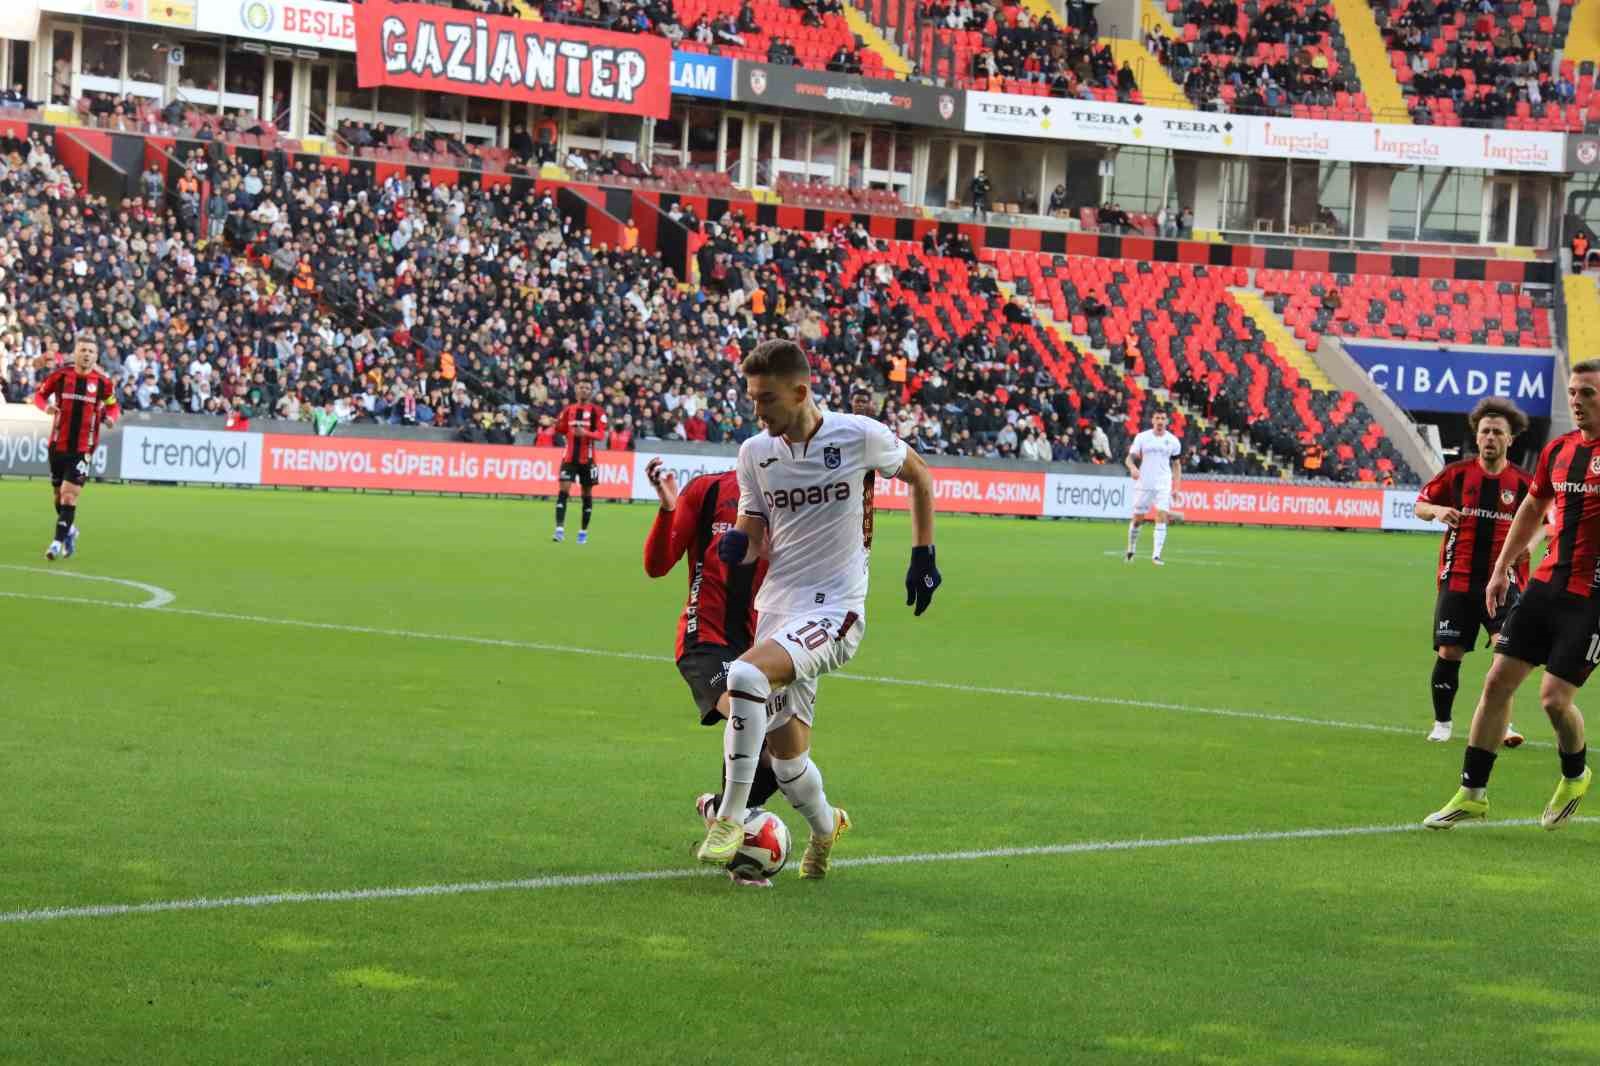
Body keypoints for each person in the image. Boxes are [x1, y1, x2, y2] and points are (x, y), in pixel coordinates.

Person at [695, 340, 941, 878]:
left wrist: (923, 552)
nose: (758, 412)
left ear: (801, 391)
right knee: (788, 763)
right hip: (778, 611)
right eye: (753, 400)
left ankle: (731, 817)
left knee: (742, 675)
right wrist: (741, 545)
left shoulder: (857, 437)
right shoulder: (755, 453)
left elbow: (921, 475)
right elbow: (754, 531)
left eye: (767, 400)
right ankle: (828, 827)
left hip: (836, 612)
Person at [1424, 362, 1600, 831]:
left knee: (1553, 700)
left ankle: (1576, 773)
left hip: (1593, 598)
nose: (1577, 401)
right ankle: (1472, 794)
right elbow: (1532, 507)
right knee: (1496, 682)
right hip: (1545, 584)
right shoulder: (1558, 451)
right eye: (1573, 393)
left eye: (1588, 393)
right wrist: (1502, 568)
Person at [642, 457, 783, 887]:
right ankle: (737, 853)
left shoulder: (793, 502)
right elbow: (657, 565)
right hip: (705, 639)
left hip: (762, 646)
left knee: (779, 760)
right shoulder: (706, 492)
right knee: (751, 720)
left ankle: (718, 810)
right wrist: (668, 509)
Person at [1413, 398, 1533, 745]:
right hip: (1459, 579)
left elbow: (1549, 520)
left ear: (1510, 439)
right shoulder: (1457, 475)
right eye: (1485, 431)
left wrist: (1532, 542)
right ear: (1477, 436)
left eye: (1498, 432)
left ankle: (1503, 724)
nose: (1491, 437)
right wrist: (1436, 510)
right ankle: (1442, 724)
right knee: (1450, 653)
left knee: (1506, 655)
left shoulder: (1523, 483)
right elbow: (1419, 505)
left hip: (1504, 581)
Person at [32, 334, 119, 560]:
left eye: (91, 351)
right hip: (58, 444)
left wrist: (111, 417)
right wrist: (47, 408)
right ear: (75, 353)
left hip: (84, 448)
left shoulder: (102, 383)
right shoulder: (61, 376)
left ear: (96, 356)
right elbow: (39, 396)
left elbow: (113, 406)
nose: (87, 354)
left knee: (69, 496)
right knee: (57, 495)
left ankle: (56, 543)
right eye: (83, 350)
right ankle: (69, 531)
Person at [1124, 409, 1182, 565]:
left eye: (1163, 418)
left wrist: (1176, 487)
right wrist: (1133, 468)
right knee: (1137, 520)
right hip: (1144, 483)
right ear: (1152, 420)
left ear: (1167, 421)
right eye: (1157, 418)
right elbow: (1129, 459)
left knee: (1162, 515)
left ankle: (1156, 556)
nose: (1160, 421)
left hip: (1163, 483)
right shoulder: (1142, 437)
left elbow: (1176, 465)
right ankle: (1131, 549)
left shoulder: (1173, 441)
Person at [553, 380, 607, 545]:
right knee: (563, 490)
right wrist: (553, 423)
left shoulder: (597, 412)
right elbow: (560, 429)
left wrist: (585, 433)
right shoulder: (568, 410)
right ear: (576, 390)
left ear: (591, 392)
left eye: (587, 388)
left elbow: (600, 435)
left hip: (588, 460)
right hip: (569, 458)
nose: (584, 390)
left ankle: (583, 532)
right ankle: (559, 530)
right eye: (581, 387)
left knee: (586, 495)